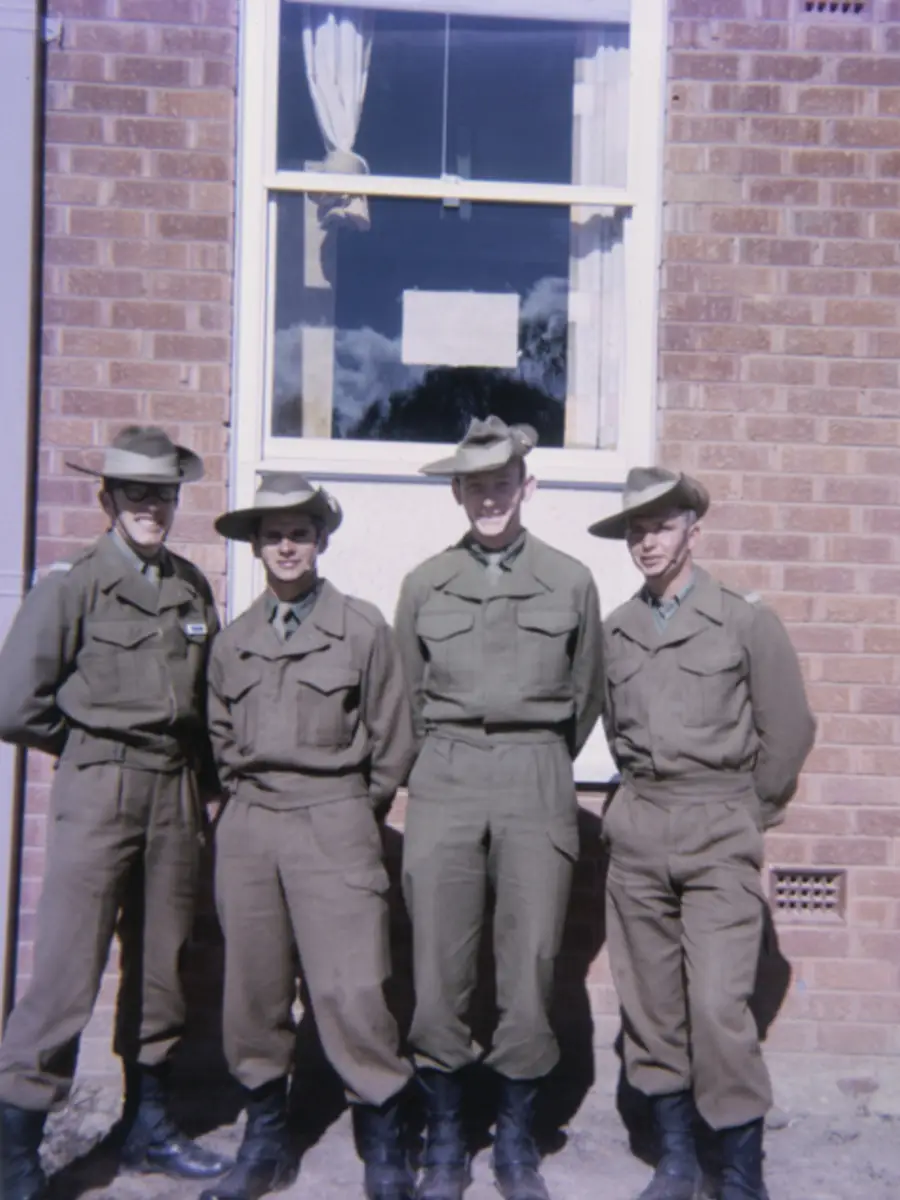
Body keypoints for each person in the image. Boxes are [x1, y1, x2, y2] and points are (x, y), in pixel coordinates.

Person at [0, 426, 229, 1200]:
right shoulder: (74, 582)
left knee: (162, 967)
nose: (152, 507)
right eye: (137, 494)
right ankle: (17, 1149)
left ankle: (148, 1128)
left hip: (174, 789)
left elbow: (205, 701)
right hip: (99, 785)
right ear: (109, 500)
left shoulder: (192, 588)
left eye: (164, 493)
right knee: (67, 969)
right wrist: (91, 743)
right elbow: (13, 703)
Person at [394, 415, 605, 1200]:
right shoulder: (424, 583)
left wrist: (539, 753)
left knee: (532, 961)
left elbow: (586, 695)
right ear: (457, 492)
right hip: (445, 772)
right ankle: (447, 1136)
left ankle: (517, 1138)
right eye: (475, 484)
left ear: (528, 486)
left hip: (535, 770)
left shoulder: (570, 579)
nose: (490, 497)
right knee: (439, 961)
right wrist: (438, 762)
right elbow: (404, 694)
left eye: (503, 482)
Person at [590, 466, 816, 1200]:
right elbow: (613, 730)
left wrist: (749, 811)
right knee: (651, 1004)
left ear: (694, 530)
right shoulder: (617, 629)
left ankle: (740, 1168)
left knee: (719, 1004)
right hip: (640, 828)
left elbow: (788, 729)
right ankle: (677, 1157)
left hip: (718, 823)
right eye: (635, 528)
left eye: (660, 525)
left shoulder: (744, 619)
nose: (646, 540)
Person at [203, 472, 417, 1200]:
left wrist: (355, 809)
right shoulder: (233, 641)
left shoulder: (361, 628)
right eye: (273, 535)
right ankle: (265, 1138)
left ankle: (383, 1139)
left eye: (299, 532)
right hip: (253, 825)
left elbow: (392, 739)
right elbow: (220, 740)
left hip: (335, 818)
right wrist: (249, 808)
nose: (286, 546)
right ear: (257, 547)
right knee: (253, 991)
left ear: (321, 540)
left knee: (353, 988)